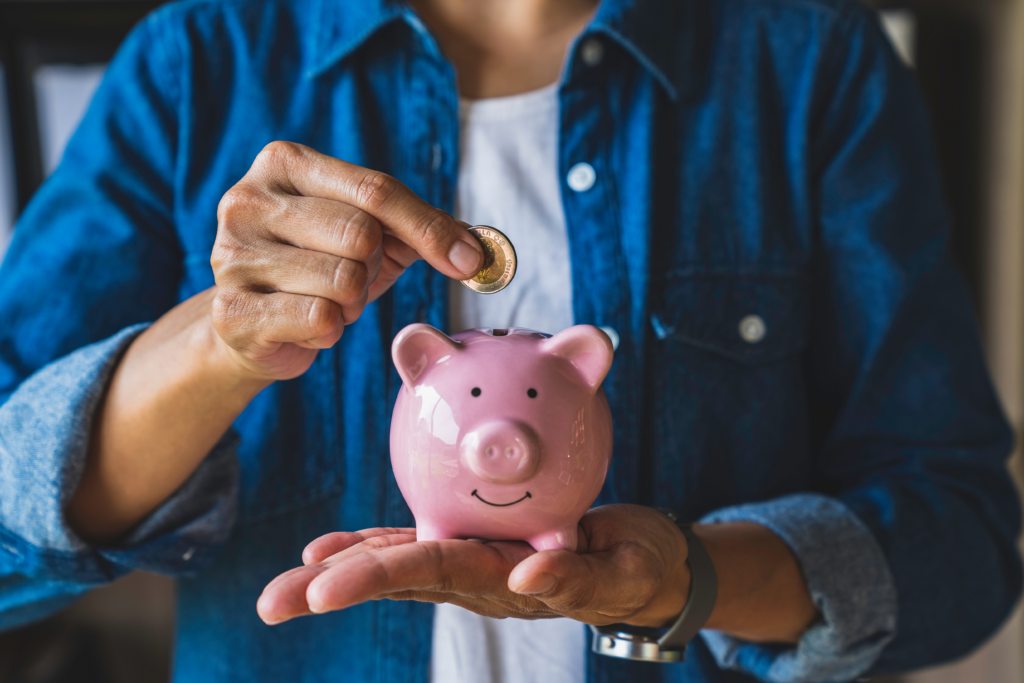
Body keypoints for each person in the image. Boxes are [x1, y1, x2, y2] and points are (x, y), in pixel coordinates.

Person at [0, 0, 1020, 681]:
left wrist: (688, 579)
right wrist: (219, 342)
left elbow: (958, 538)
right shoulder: (198, 60)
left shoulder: (808, 60)